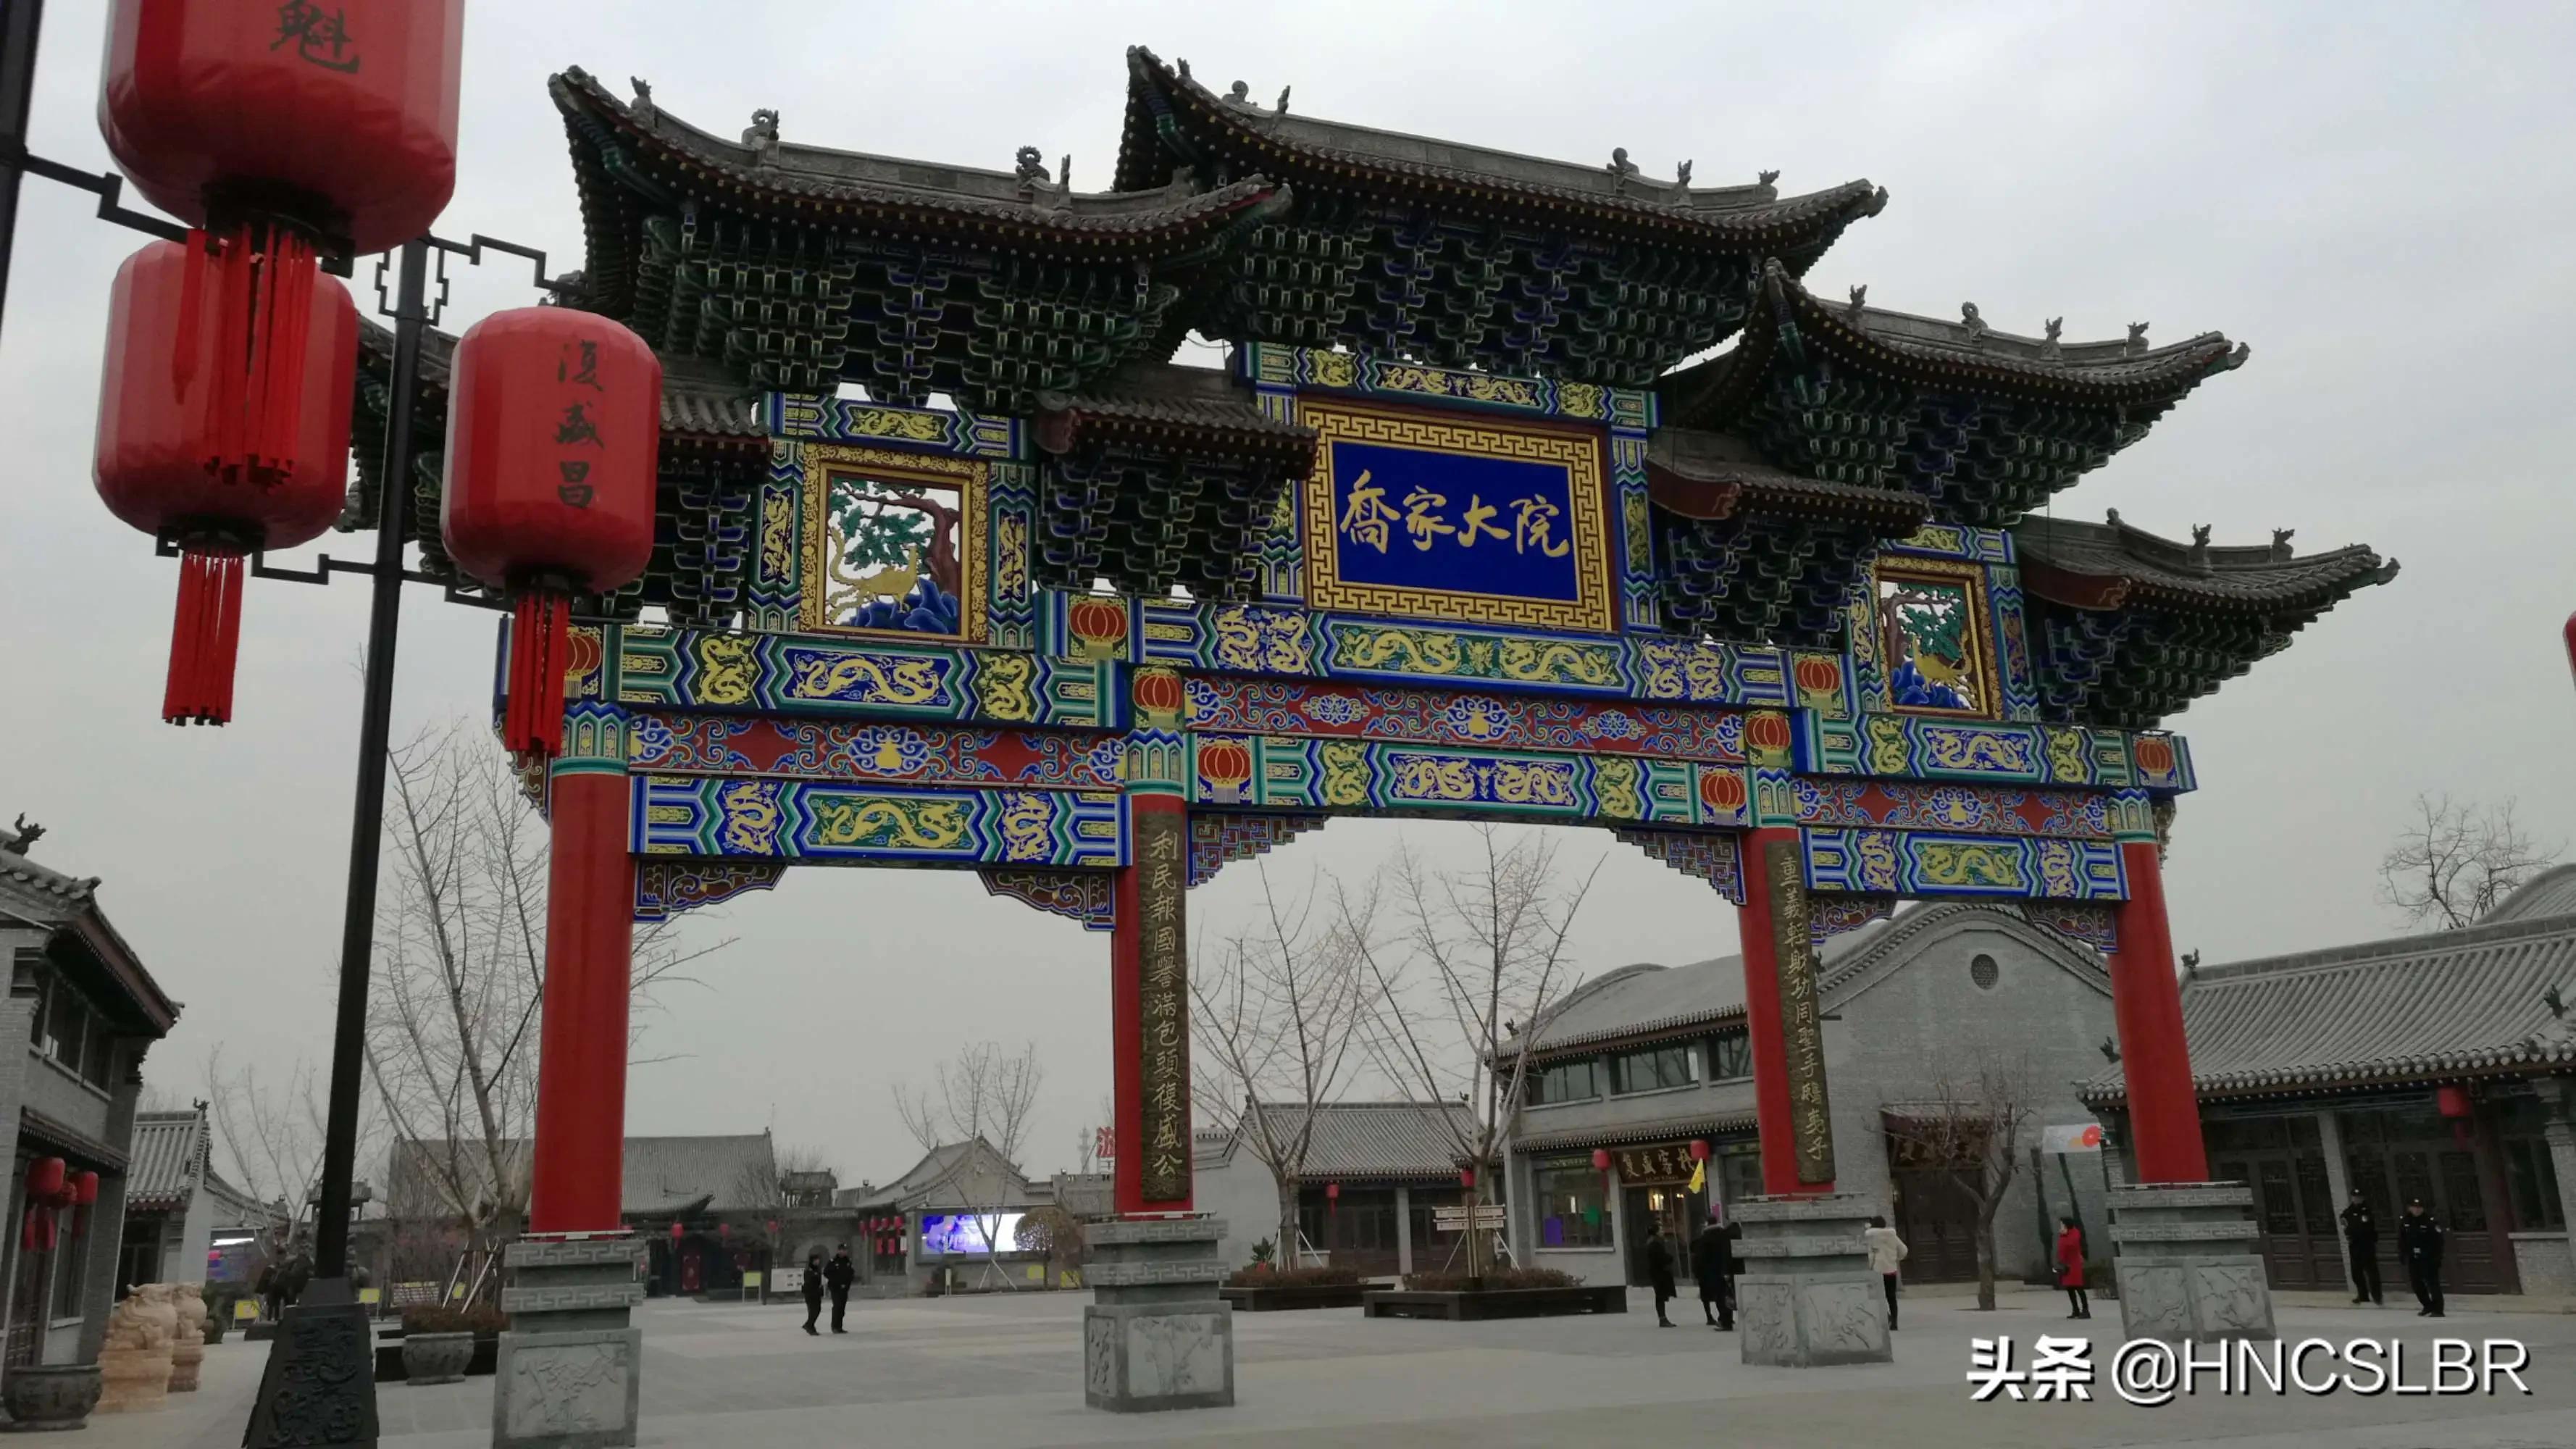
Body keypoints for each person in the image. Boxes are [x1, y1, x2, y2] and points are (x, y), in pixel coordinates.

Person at [2397, 1198, 2444, 1318]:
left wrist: (2437, 1257)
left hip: (2428, 1258)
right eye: (2414, 1207)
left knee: (2432, 1284)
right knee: (2416, 1284)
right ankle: (2427, 1305)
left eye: (2419, 1208)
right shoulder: (2405, 1221)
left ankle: (2438, 1310)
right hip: (2413, 1258)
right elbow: (2402, 1240)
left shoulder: (2430, 1222)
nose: (2417, 1210)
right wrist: (2402, 1254)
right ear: (2410, 1208)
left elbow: (2439, 1242)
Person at [2339, 1188, 2383, 1306]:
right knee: (2356, 1273)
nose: (2356, 1199)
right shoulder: (2348, 1212)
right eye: (2354, 1197)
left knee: (2372, 1272)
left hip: (2367, 1245)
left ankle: (2377, 1296)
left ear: (2362, 1198)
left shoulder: (2367, 1211)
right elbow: (2344, 1223)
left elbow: (2370, 1227)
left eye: (2358, 1197)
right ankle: (2363, 1295)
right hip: (2354, 1245)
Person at [1863, 1215, 1909, 1330]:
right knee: (1891, 1297)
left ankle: (1886, 1317)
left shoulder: (1871, 1237)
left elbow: (1871, 1255)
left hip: (1877, 1271)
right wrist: (1895, 1258)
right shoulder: (1892, 1236)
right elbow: (1904, 1250)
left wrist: (1869, 1267)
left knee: (1878, 1297)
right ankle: (1894, 1322)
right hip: (1891, 1270)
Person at [1692, 1219, 1734, 1330]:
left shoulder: (1704, 1239)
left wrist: (1698, 1272)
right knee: (1726, 1295)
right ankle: (1728, 1318)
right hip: (1724, 1269)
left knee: (1719, 1297)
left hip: (1711, 1272)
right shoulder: (1724, 1235)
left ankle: (1723, 1320)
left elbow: (1700, 1258)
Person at [2054, 1216, 2089, 1320]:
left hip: (2074, 1264)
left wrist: (2064, 1236)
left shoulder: (2074, 1233)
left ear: (2066, 1224)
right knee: (2070, 1288)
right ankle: (2075, 1310)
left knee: (2079, 1287)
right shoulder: (2064, 1234)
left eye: (2062, 1224)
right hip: (2066, 1264)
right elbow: (2061, 1248)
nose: (2060, 1226)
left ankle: (2086, 1310)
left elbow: (2071, 1245)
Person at [1644, 1225, 1677, 1327]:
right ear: (1656, 1232)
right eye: (1661, 1230)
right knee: (1661, 1295)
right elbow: (1660, 1258)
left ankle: (1663, 1318)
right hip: (1659, 1273)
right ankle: (1662, 1319)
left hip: (1657, 1272)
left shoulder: (1654, 1242)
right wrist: (1669, 1258)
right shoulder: (1655, 1244)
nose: (1663, 1231)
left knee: (1661, 1295)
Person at [825, 1243, 858, 1332]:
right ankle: (835, 1327)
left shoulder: (848, 1261)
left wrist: (847, 1283)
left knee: (842, 1308)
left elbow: (851, 1273)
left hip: (845, 1288)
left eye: (845, 1250)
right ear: (839, 1251)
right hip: (835, 1288)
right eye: (842, 1250)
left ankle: (839, 1327)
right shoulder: (833, 1261)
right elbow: (827, 1273)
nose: (844, 1252)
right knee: (837, 1306)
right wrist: (837, 1282)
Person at [800, 1250, 824, 1335]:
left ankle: (810, 1326)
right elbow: (809, 1283)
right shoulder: (809, 1270)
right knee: (814, 1311)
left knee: (816, 1310)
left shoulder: (817, 1269)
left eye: (818, 1260)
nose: (818, 1261)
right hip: (811, 1294)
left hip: (817, 1294)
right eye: (816, 1260)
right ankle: (809, 1325)